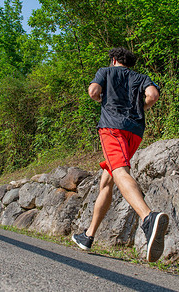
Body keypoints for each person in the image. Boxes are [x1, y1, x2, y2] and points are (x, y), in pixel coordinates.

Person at [72, 47, 169, 262]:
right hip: (135, 131)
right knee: (107, 181)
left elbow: (93, 92)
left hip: (112, 127)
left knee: (119, 171)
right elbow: (153, 95)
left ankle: (147, 217)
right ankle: (88, 235)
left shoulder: (106, 71)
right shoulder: (141, 77)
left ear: (114, 59)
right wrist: (141, 108)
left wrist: (102, 102)